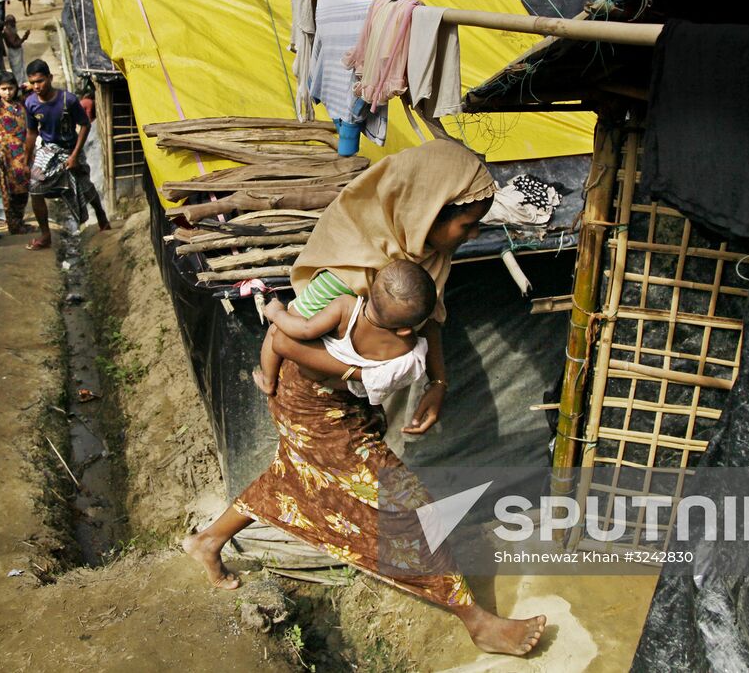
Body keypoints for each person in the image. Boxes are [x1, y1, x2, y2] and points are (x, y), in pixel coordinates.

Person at [183, 141, 547, 657]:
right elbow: (284, 339)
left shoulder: (423, 258)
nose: (473, 236)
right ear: (427, 212)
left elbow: (430, 321)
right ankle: (476, 619)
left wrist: (437, 384)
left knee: (294, 473)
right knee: (408, 504)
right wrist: (361, 370)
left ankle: (207, 541)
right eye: (467, 225)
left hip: (347, 399)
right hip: (311, 402)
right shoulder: (348, 270)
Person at [255, 259, 433, 402]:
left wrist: (277, 313)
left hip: (315, 373)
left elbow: (306, 329)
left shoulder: (346, 307)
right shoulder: (408, 346)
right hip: (347, 386)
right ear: (405, 330)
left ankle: (268, 381)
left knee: (275, 330)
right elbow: (394, 377)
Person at [22, 59, 109, 250]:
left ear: (50, 78)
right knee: (35, 188)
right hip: (48, 150)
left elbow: (85, 125)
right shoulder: (30, 103)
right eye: (33, 82)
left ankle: (101, 215)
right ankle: (45, 235)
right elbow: (31, 132)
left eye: (40, 81)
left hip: (71, 148)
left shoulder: (67, 100)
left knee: (85, 186)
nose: (36, 86)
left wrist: (74, 156)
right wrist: (26, 160)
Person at [0, 70, 31, 234]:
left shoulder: (21, 102)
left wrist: (24, 87)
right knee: (8, 188)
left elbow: (32, 88)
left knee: (24, 186)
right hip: (6, 151)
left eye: (10, 88)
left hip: (23, 149)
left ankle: (19, 221)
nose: (7, 92)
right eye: (3, 89)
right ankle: (14, 224)